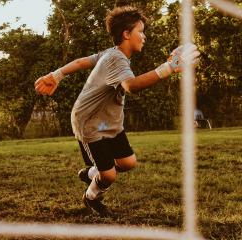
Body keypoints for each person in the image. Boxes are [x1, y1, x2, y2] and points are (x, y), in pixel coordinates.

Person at [35, 5, 200, 216]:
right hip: (90, 124)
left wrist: (56, 75)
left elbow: (80, 62)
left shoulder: (111, 53)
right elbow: (130, 86)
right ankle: (91, 196)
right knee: (110, 176)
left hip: (108, 123)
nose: (144, 36)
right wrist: (168, 68)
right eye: (140, 31)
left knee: (128, 162)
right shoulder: (116, 58)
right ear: (126, 34)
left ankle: (93, 172)